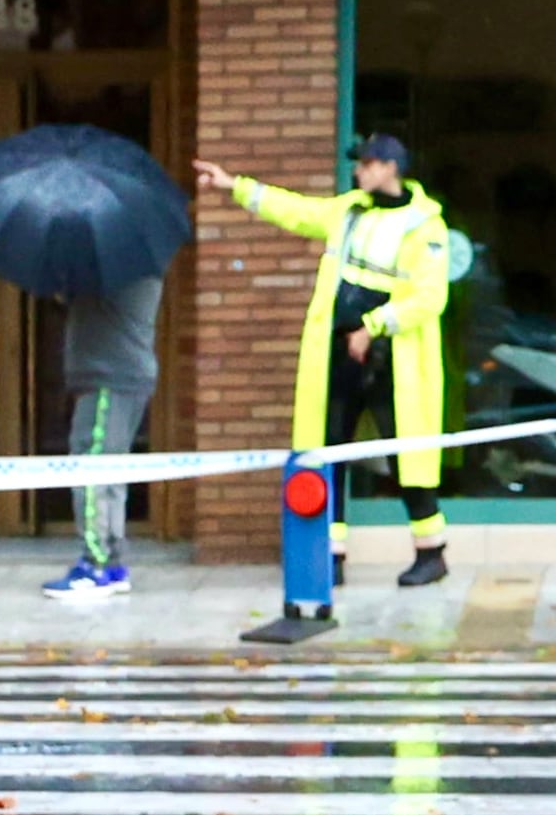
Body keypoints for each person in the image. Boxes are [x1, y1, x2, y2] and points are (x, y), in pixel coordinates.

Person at [194, 130, 455, 642]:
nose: (357, 171)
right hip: (339, 350)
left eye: (365, 164)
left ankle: (431, 553)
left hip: (387, 355)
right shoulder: (350, 211)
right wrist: (235, 186)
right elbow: (295, 211)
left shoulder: (426, 225)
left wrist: (374, 326)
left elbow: (430, 296)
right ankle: (328, 558)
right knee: (328, 450)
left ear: (388, 167)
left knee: (406, 455)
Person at [39, 270, 164, 601]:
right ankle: (112, 563)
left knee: (91, 469)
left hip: (109, 377)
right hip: (118, 375)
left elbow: (70, 290)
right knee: (108, 473)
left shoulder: (112, 266)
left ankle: (95, 564)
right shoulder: (130, 260)